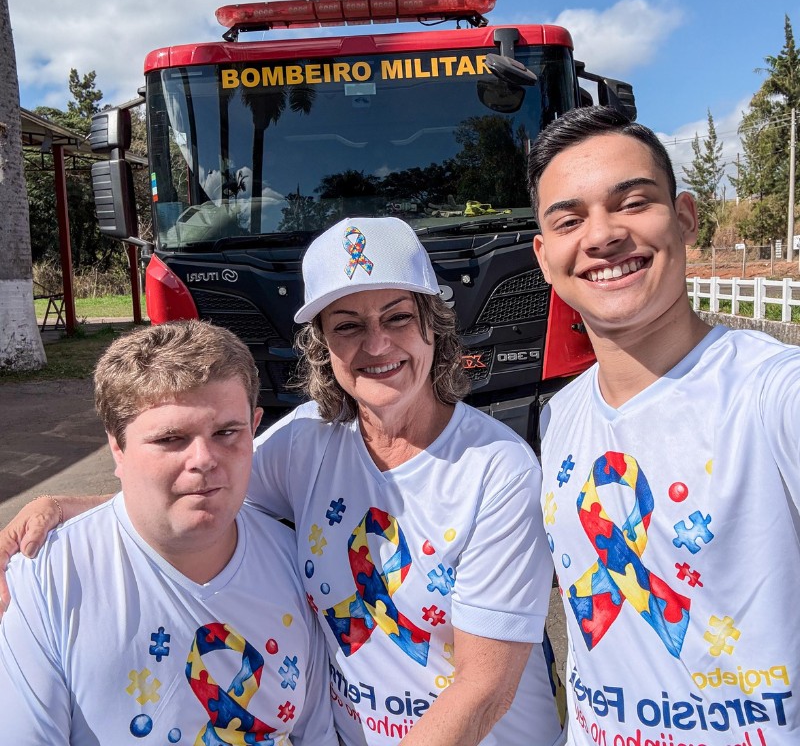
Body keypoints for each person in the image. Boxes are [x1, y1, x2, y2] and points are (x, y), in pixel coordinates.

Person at [0, 217, 565, 746]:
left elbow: (484, 688)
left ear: (432, 327)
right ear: (323, 347)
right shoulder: (307, 440)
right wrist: (64, 506)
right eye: (348, 326)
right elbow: (200, 485)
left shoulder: (496, 469)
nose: (376, 345)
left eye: (397, 318)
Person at [528, 105, 800, 745]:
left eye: (632, 203)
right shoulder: (561, 414)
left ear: (684, 218)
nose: (602, 236)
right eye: (569, 220)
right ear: (544, 256)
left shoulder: (772, 395)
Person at [0, 321, 337, 745]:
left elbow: (316, 734)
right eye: (171, 439)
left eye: (226, 433)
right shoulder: (48, 579)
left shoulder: (294, 559)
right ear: (117, 448)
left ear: (254, 428)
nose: (204, 459)